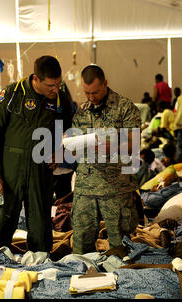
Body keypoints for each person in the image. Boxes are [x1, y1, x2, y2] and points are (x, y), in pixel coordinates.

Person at [0, 56, 73, 252]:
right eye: (50, 85)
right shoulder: (12, 95)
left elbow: (70, 131)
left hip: (41, 173)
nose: (55, 89)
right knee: (1, 224)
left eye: (58, 84)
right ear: (36, 79)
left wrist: (60, 150)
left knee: (41, 228)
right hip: (9, 172)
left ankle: (39, 272)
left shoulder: (61, 101)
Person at [70, 64, 141, 255]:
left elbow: (134, 145)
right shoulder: (82, 112)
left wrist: (110, 147)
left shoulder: (124, 107)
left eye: (95, 92)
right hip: (86, 186)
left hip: (116, 187)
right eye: (87, 93)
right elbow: (75, 148)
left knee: (121, 247)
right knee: (81, 244)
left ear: (105, 84)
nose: (91, 98)